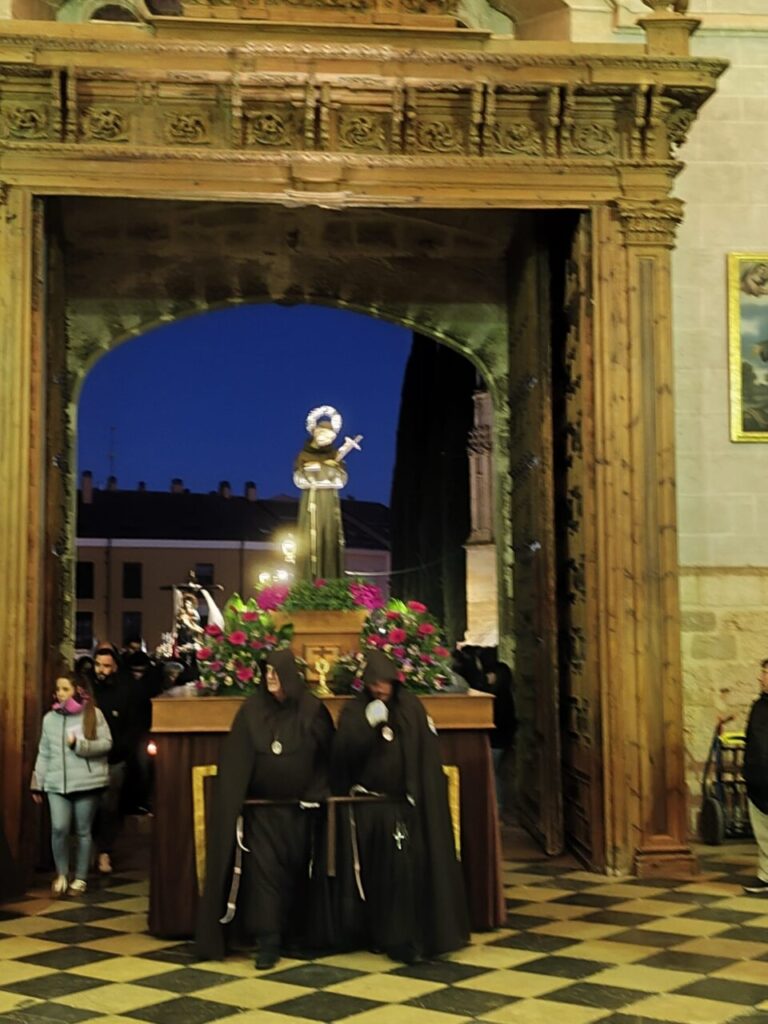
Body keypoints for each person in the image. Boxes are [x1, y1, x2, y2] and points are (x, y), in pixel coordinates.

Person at [196, 650, 334, 968]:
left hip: (301, 813)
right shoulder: (251, 710)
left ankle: (297, 937)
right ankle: (268, 941)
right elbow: (235, 759)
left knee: (298, 874)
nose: (271, 677)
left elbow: (328, 759)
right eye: (267, 671)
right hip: (261, 815)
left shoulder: (312, 710)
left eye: (276, 672)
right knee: (264, 876)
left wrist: (316, 792)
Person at [330, 650, 469, 963]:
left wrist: (414, 790)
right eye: (374, 683)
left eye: (385, 683)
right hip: (367, 808)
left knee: (402, 876)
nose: (380, 689)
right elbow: (341, 756)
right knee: (373, 876)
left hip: (402, 809)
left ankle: (403, 939)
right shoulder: (355, 711)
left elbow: (423, 753)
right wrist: (368, 728)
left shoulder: (411, 708)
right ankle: (375, 933)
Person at [30, 671, 112, 895]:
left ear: (77, 690)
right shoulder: (50, 719)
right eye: (58, 689)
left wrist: (79, 744)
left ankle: (81, 878)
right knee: (59, 828)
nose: (60, 693)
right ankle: (62, 873)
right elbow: (44, 752)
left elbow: (106, 744)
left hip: (87, 782)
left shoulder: (93, 714)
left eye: (65, 689)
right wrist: (37, 782)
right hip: (56, 783)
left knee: (83, 831)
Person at [91, 646, 141, 874]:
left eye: (106, 666)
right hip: (88, 757)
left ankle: (105, 852)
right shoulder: (88, 690)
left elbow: (133, 725)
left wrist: (122, 750)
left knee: (109, 806)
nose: (101, 670)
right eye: (98, 665)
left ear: (115, 667)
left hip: (115, 759)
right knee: (89, 807)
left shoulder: (126, 691)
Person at [294, 406, 357, 581]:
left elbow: (341, 480)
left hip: (329, 503)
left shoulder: (335, 455)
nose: (326, 439)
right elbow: (298, 478)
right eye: (324, 435)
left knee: (329, 537)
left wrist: (329, 470)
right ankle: (308, 580)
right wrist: (316, 471)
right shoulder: (304, 454)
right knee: (310, 540)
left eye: (330, 437)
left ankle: (329, 578)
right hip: (311, 501)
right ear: (315, 432)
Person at [743, 658, 768, 894]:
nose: (761, 677)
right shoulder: (758, 706)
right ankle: (766, 875)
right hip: (758, 779)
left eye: (766, 673)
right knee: (763, 831)